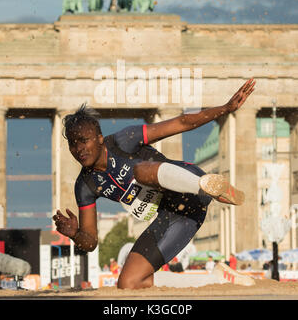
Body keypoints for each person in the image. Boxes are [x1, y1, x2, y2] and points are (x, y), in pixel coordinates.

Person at [53, 78, 256, 289]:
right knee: (128, 283)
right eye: (72, 144)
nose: (79, 149)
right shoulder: (85, 186)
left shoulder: (123, 140)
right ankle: (219, 278)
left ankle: (209, 186)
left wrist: (225, 108)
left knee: (139, 170)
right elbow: (91, 242)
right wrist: (76, 235)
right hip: (179, 216)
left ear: (100, 138)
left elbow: (181, 122)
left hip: (190, 184)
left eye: (84, 140)